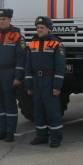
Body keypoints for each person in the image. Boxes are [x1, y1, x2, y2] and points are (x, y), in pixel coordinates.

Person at [0, 8, 26, 143]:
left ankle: (10, 132)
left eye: (4, 19)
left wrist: (18, 77)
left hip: (9, 73)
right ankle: (0, 131)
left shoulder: (17, 37)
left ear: (10, 20)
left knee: (9, 102)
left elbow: (21, 58)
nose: (1, 21)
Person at [25, 16, 67, 148]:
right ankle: (41, 136)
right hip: (37, 80)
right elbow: (28, 67)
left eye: (42, 28)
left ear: (48, 29)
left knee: (52, 111)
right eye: (38, 28)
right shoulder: (33, 44)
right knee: (38, 110)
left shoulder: (56, 44)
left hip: (49, 81)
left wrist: (56, 86)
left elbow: (60, 67)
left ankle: (55, 138)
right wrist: (28, 85)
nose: (39, 30)